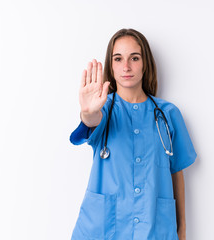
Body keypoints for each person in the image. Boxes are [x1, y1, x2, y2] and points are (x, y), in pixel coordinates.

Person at [69, 28, 197, 240]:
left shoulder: (168, 114)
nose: (126, 67)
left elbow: (177, 173)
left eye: (134, 58)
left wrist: (181, 230)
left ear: (145, 63)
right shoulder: (103, 111)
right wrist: (87, 113)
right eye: (118, 59)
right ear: (111, 65)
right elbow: (91, 122)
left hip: (154, 230)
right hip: (102, 231)